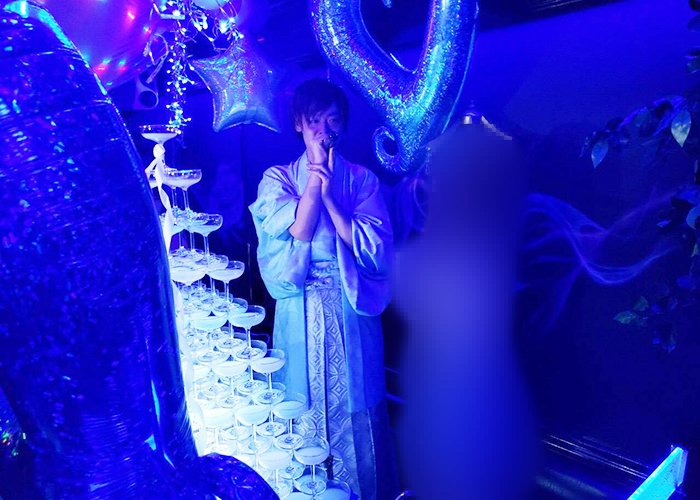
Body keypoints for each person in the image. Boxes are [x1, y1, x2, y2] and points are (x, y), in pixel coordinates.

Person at [249, 78, 399, 500]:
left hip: (351, 307)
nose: (324, 130)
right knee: (302, 402)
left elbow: (377, 252)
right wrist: (316, 179)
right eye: (314, 120)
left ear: (343, 126)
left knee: (358, 405)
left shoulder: (363, 180)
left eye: (333, 120)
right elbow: (297, 230)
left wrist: (333, 198)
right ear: (298, 123)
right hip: (300, 307)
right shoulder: (278, 178)